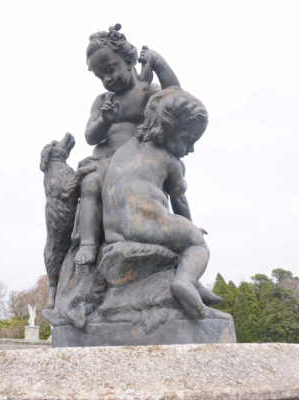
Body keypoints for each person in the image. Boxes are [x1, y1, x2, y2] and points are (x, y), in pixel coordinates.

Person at [101, 87, 216, 319]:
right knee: (197, 245)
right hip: (147, 223)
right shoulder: (170, 161)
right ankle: (185, 281)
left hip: (114, 230)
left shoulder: (125, 149)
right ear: (167, 131)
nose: (190, 149)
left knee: (184, 238)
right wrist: (191, 229)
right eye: (186, 140)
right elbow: (180, 200)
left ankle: (194, 283)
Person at [73, 23, 181, 265]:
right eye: (101, 76)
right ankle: (88, 244)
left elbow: (176, 97)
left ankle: (185, 228)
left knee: (175, 182)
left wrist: (160, 62)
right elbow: (90, 136)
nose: (107, 79)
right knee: (90, 183)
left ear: (130, 62)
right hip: (105, 162)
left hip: (136, 163)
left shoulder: (147, 93)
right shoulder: (102, 101)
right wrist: (104, 119)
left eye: (111, 69)